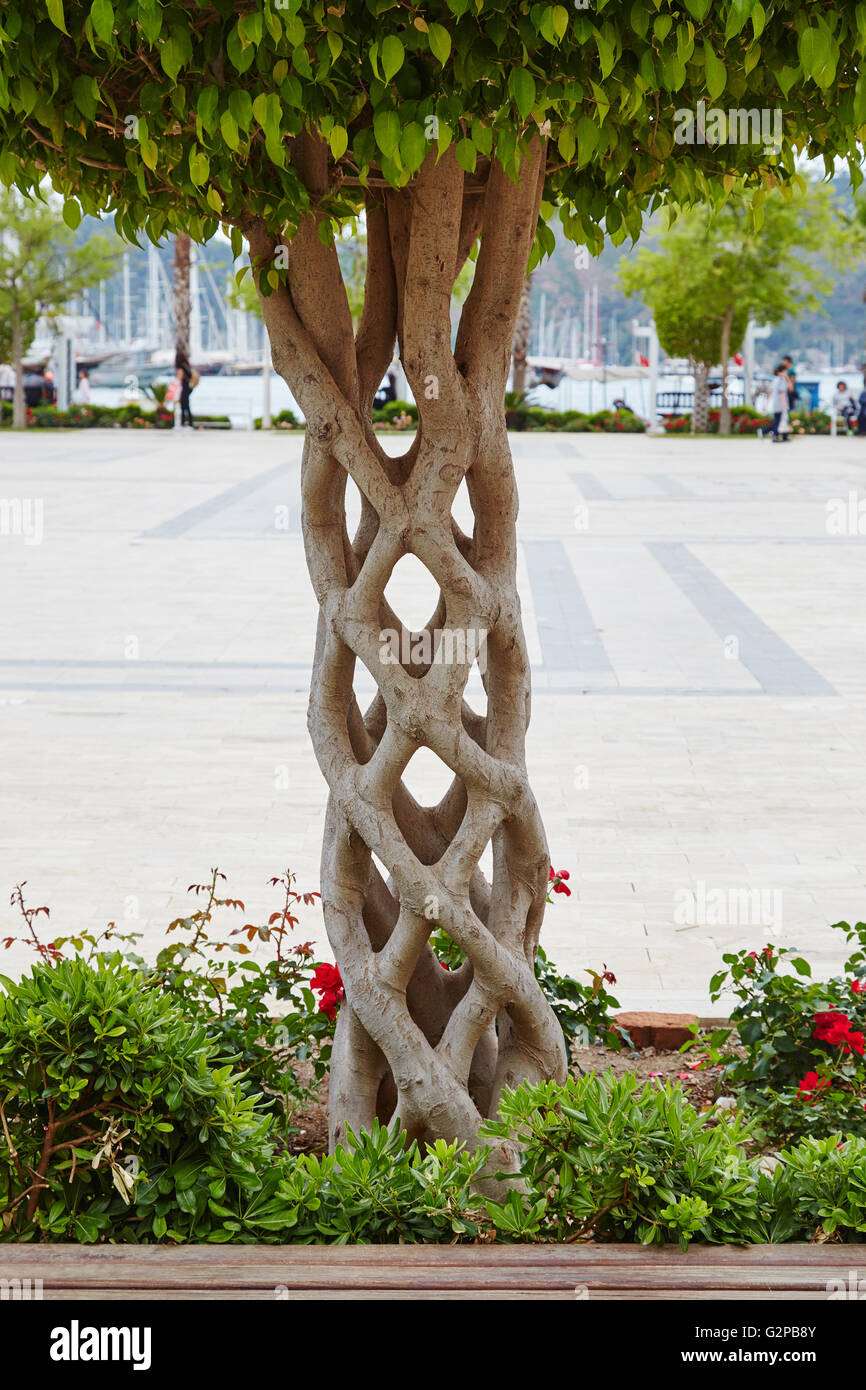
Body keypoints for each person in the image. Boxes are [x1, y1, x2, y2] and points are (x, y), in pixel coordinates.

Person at [769, 363, 790, 442]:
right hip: (780, 404)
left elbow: (770, 392)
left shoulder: (775, 379)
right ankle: (776, 435)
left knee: (777, 420)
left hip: (775, 403)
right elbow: (782, 393)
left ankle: (776, 435)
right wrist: (784, 405)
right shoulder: (781, 379)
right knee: (779, 421)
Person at [175, 348, 195, 429]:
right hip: (188, 387)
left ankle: (184, 424)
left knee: (184, 406)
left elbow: (179, 378)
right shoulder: (186, 365)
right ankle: (188, 423)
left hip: (183, 388)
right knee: (186, 406)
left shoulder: (180, 367)